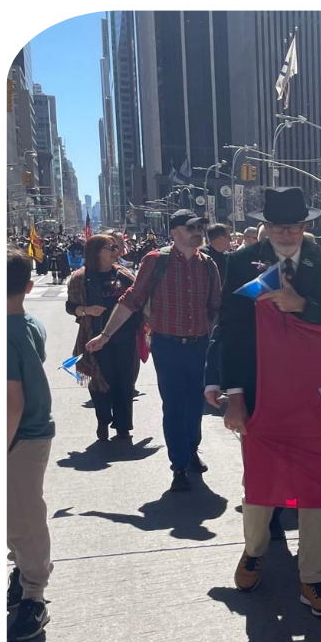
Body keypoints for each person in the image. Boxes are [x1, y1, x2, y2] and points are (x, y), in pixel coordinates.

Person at [219, 187, 321, 617]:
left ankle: (313, 576)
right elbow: (230, 332)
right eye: (279, 225)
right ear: (266, 226)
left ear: (305, 225)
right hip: (260, 391)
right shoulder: (241, 261)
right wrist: (233, 396)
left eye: (294, 225)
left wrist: (304, 306)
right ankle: (254, 551)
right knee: (260, 483)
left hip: (316, 393)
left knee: (317, 488)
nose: (287, 233)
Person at [87, 210, 221, 493]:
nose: (198, 232)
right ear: (175, 233)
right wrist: (106, 335)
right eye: (191, 228)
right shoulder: (156, 261)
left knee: (195, 403)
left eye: (200, 227)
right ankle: (179, 465)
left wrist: (218, 347)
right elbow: (132, 299)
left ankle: (191, 448)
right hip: (167, 345)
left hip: (199, 345)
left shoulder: (209, 265)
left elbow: (215, 309)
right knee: (174, 404)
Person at [6, 248, 56, 642]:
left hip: (19, 436)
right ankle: (23, 574)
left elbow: (13, 402)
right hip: (28, 433)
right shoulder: (30, 323)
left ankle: (33, 596)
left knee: (23, 519)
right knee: (16, 515)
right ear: (28, 286)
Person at [67, 234, 139, 442]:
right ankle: (103, 420)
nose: (117, 251)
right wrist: (86, 309)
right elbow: (71, 307)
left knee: (125, 381)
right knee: (100, 382)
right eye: (111, 248)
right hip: (94, 338)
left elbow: (140, 299)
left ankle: (123, 426)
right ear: (96, 251)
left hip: (124, 337)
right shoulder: (80, 278)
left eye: (117, 247)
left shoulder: (124, 275)